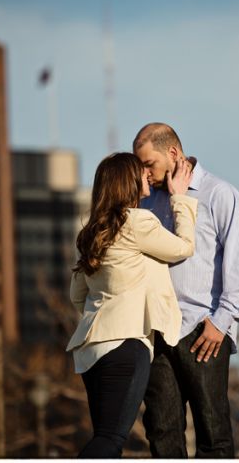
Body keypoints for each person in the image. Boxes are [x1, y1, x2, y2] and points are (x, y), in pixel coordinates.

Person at [133, 123, 239, 457]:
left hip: (203, 332)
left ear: (173, 153)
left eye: (148, 164)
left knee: (212, 432)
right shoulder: (146, 203)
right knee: (161, 431)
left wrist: (222, 322)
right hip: (158, 332)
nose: (144, 172)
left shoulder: (220, 194)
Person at [65, 152, 197, 458]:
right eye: (142, 173)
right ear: (127, 181)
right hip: (126, 346)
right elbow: (183, 247)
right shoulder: (138, 222)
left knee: (104, 438)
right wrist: (179, 198)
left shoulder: (92, 232)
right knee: (111, 440)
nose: (148, 176)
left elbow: (77, 296)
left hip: (92, 351)